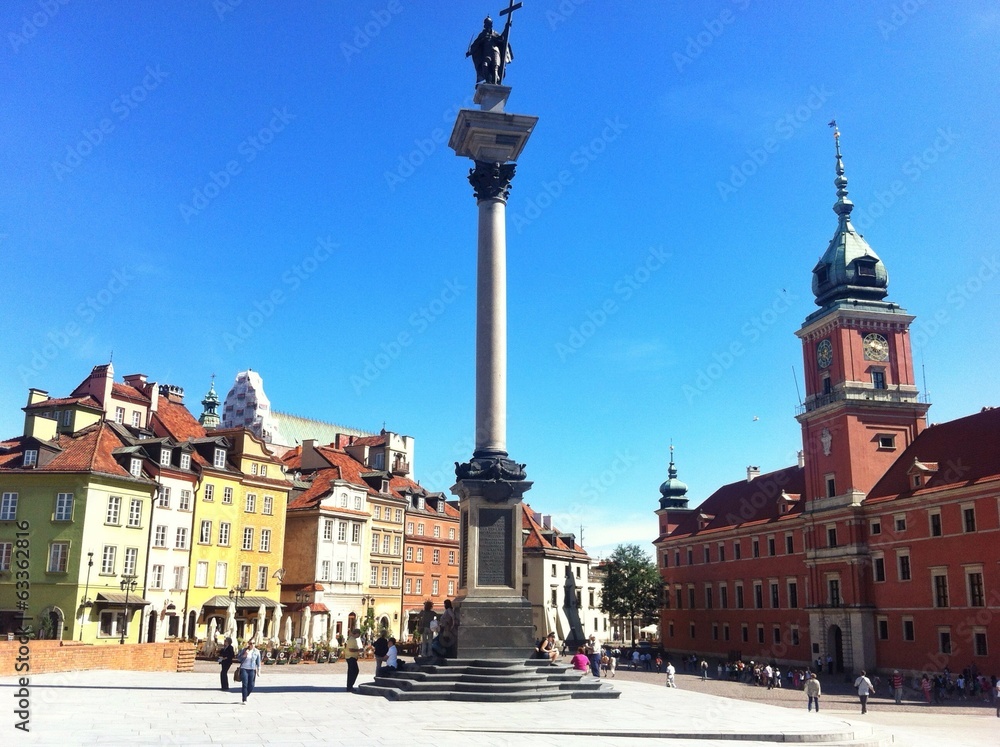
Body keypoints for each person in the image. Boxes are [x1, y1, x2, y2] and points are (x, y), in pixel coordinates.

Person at [236, 640, 261, 705]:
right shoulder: (244, 650)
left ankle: (247, 695)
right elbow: (238, 658)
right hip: (244, 668)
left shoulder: (257, 651)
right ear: (248, 644)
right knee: (245, 684)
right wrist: (244, 655)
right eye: (250, 643)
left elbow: (258, 662)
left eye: (253, 643)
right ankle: (244, 699)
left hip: (252, 669)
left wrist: (259, 670)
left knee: (252, 685)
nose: (252, 644)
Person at [345, 628, 362, 692]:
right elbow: (351, 649)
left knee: (352, 672)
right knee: (354, 671)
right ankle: (350, 686)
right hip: (351, 657)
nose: (359, 635)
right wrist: (359, 650)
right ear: (356, 633)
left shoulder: (352, 639)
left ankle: (350, 686)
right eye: (359, 634)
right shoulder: (352, 640)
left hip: (351, 657)